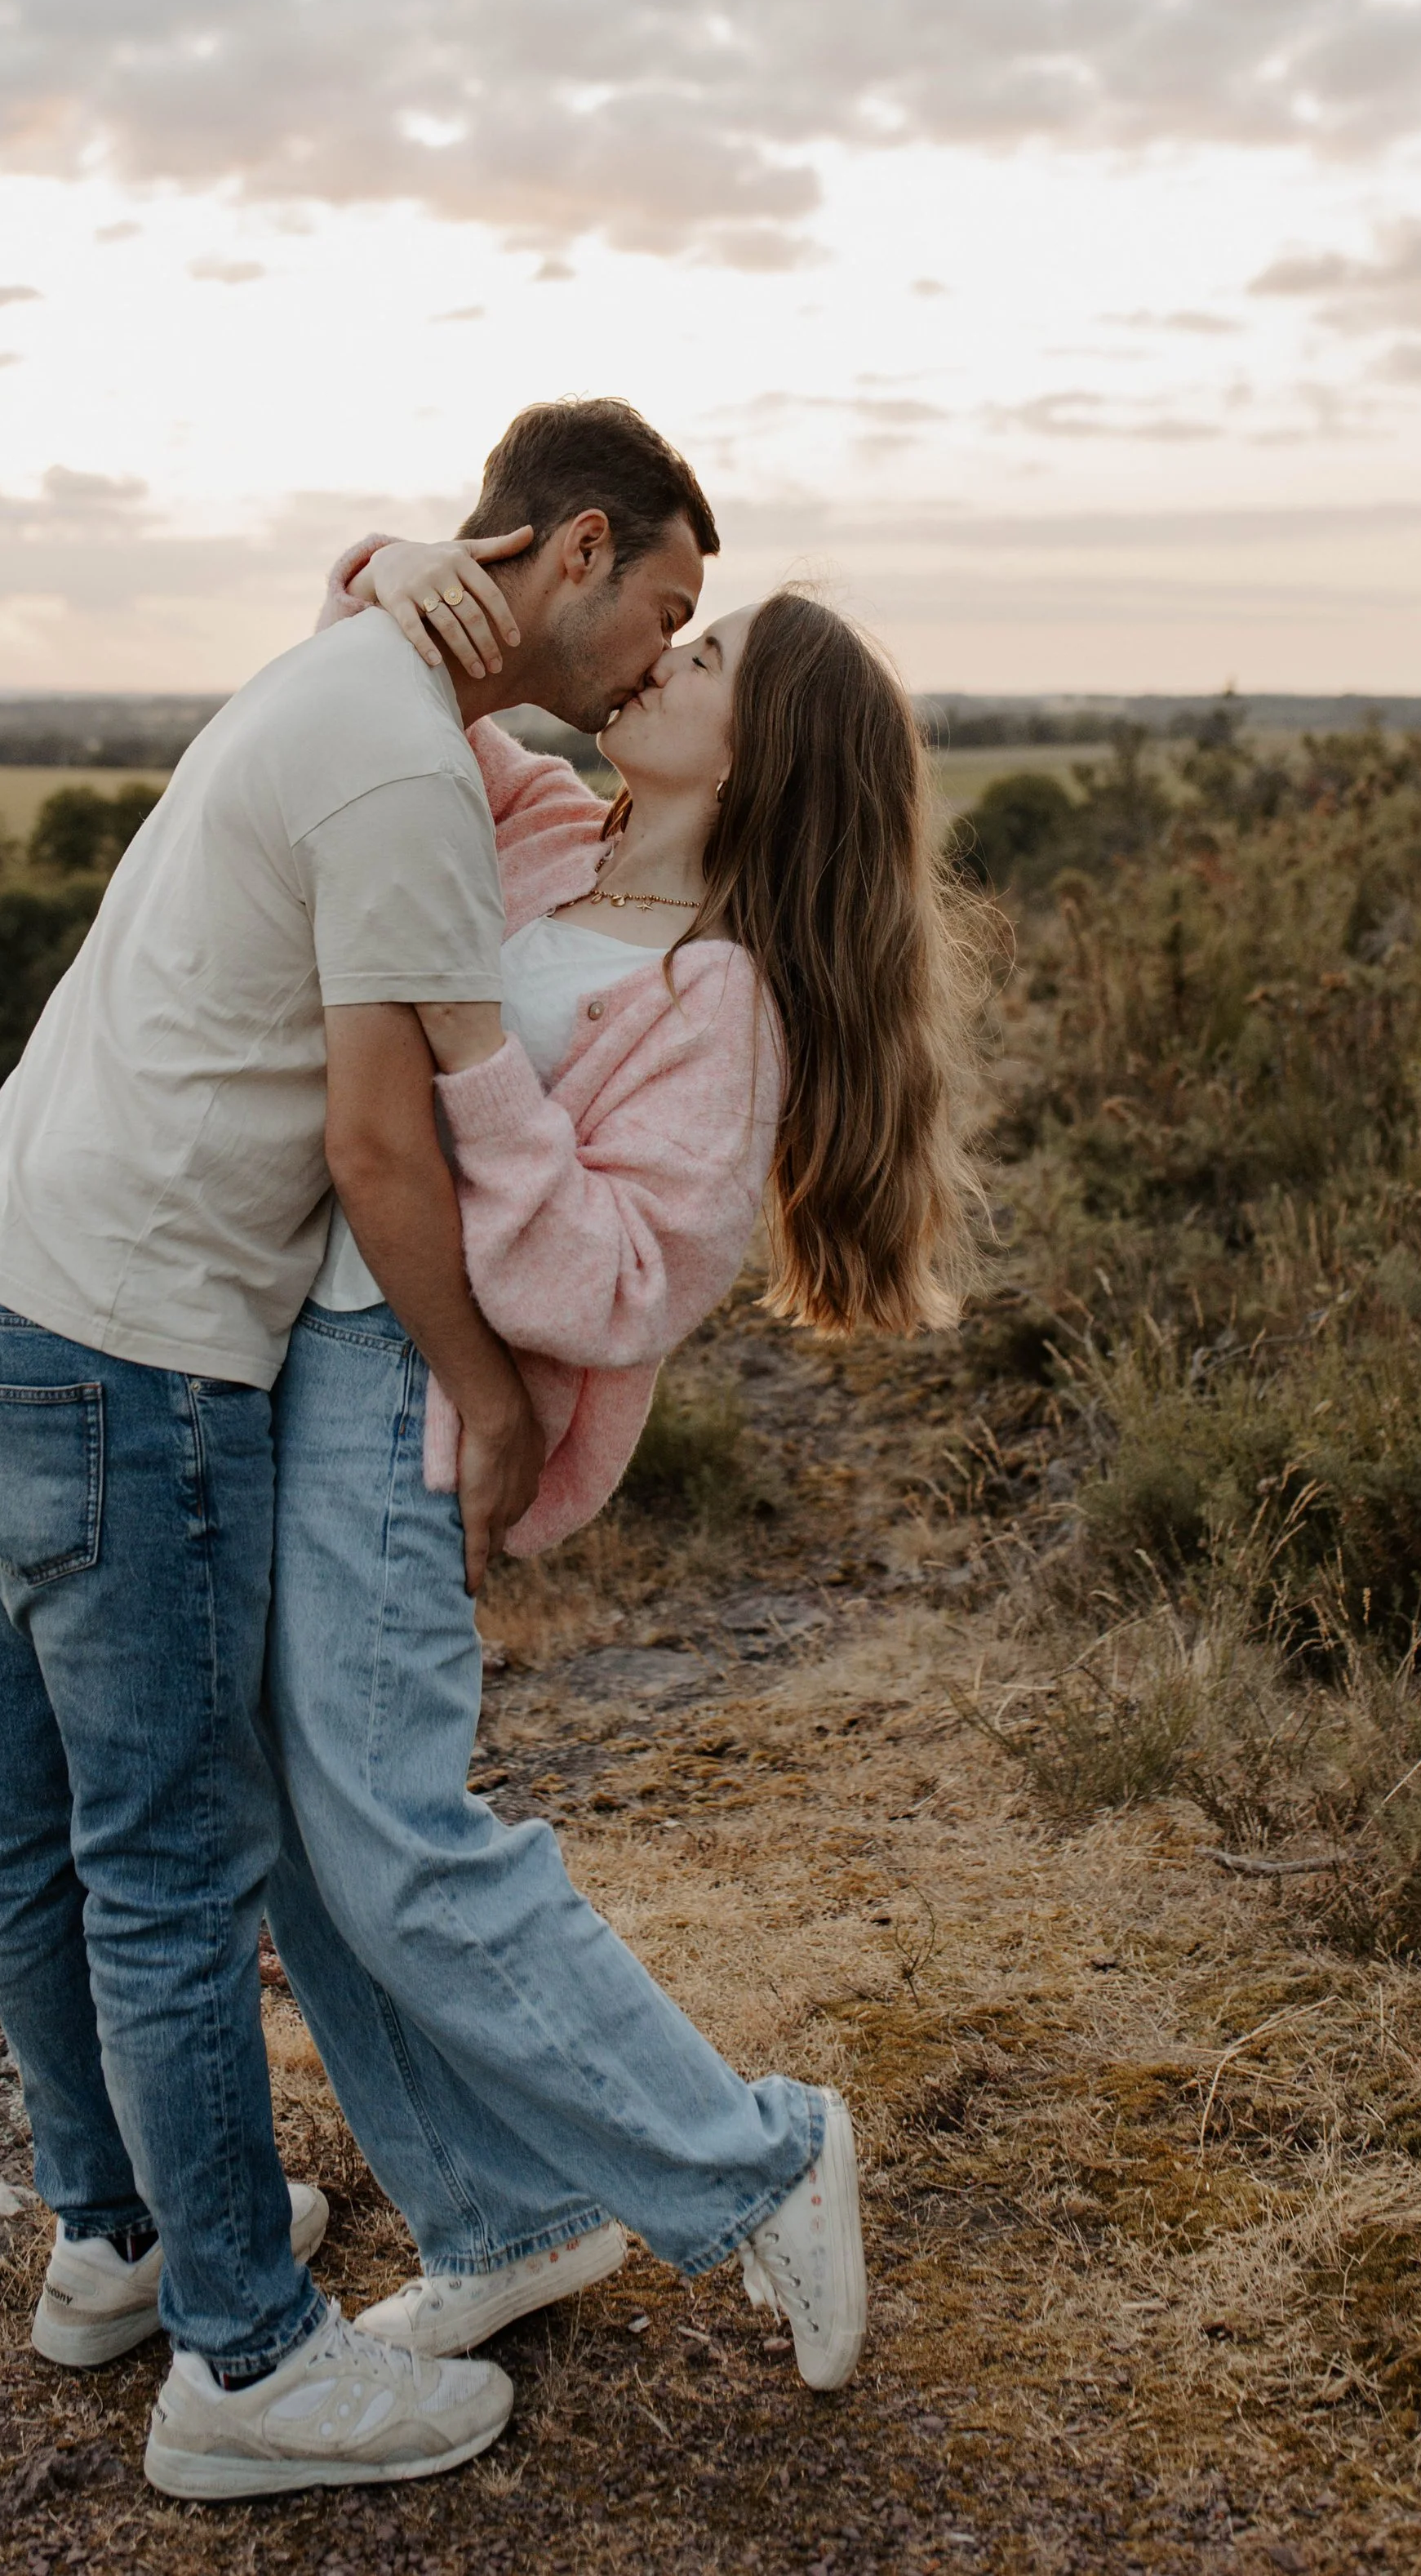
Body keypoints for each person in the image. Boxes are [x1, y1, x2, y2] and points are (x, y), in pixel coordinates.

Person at [0, 398, 715, 2501]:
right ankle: (246, 2369)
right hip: (131, 1340)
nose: (653, 659)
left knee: (26, 1823)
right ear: (580, 547)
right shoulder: (402, 768)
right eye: (664, 608)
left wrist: (371, 564)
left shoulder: (358, 681)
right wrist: (496, 1385)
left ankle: (110, 2237)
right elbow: (379, 1146)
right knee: (177, 1867)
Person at [255, 520, 984, 2391]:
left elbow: (620, 1280)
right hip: (311, 1349)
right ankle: (498, 2213)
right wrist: (403, 560)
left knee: (400, 1843)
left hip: (404, 1401)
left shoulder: (716, 1003)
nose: (661, 660)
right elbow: (389, 669)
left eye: (710, 657)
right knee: (299, 1839)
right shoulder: (553, 837)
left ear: (762, 753)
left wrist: (474, 1055)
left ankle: (750, 2160)